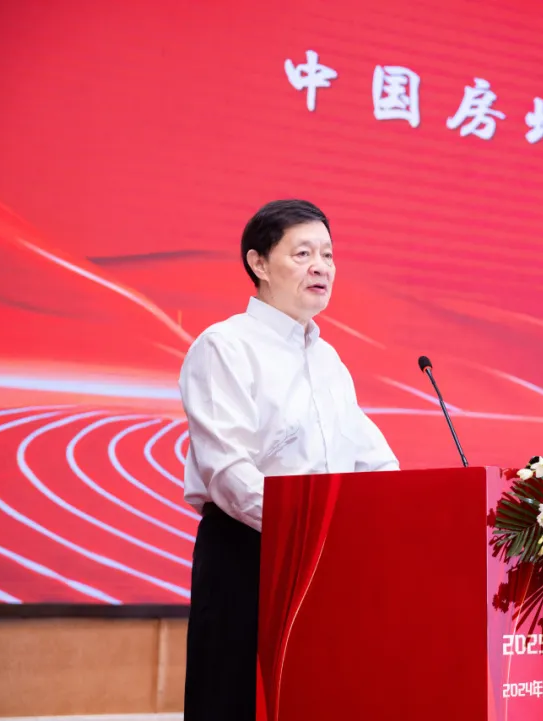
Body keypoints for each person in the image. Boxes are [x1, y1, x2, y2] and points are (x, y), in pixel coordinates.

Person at [178, 199, 399, 721]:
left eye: (328, 254)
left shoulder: (328, 360)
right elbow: (228, 473)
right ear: (258, 263)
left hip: (324, 560)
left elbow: (373, 462)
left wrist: (394, 516)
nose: (321, 266)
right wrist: (309, 531)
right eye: (303, 254)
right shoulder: (225, 346)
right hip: (248, 557)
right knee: (234, 701)